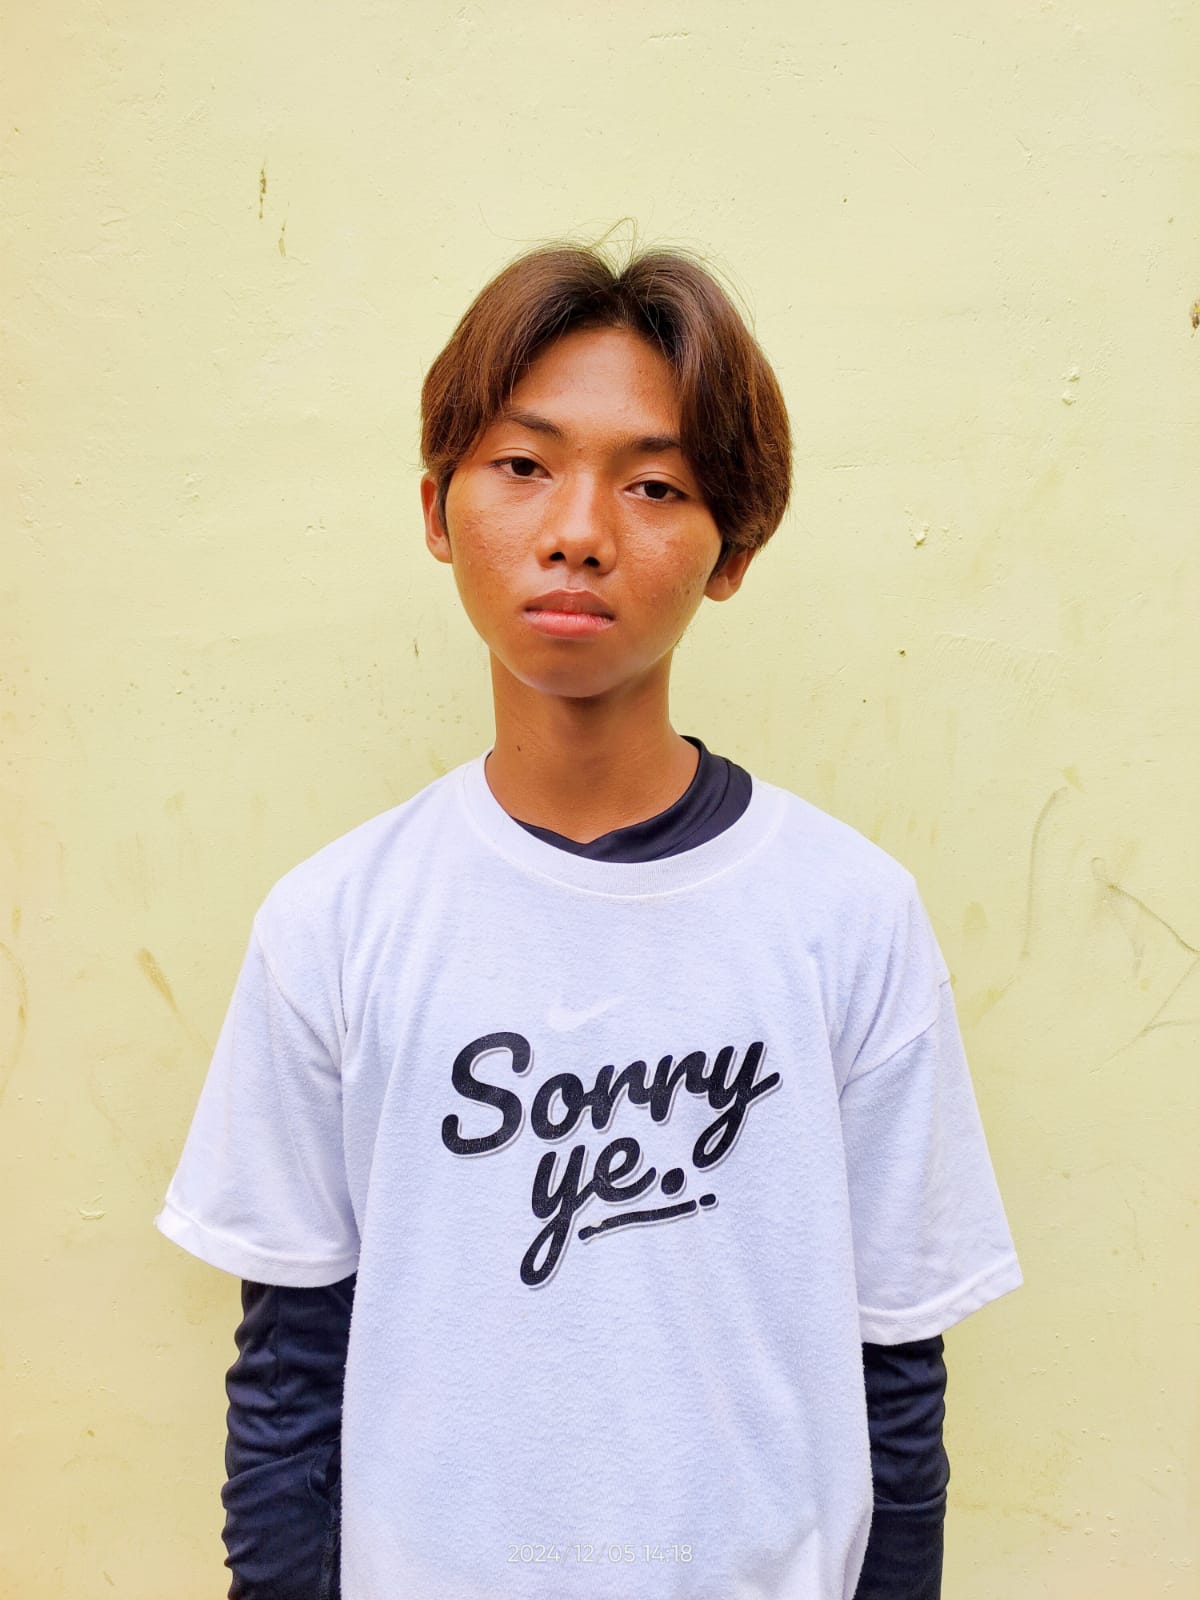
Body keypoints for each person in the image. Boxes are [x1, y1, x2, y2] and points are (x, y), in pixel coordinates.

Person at [155, 240, 1022, 1600]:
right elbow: (289, 1379)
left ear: (733, 548)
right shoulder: (336, 921)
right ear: (438, 510)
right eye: (523, 465)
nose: (578, 530)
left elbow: (895, 1373)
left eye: (654, 484)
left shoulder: (848, 916)